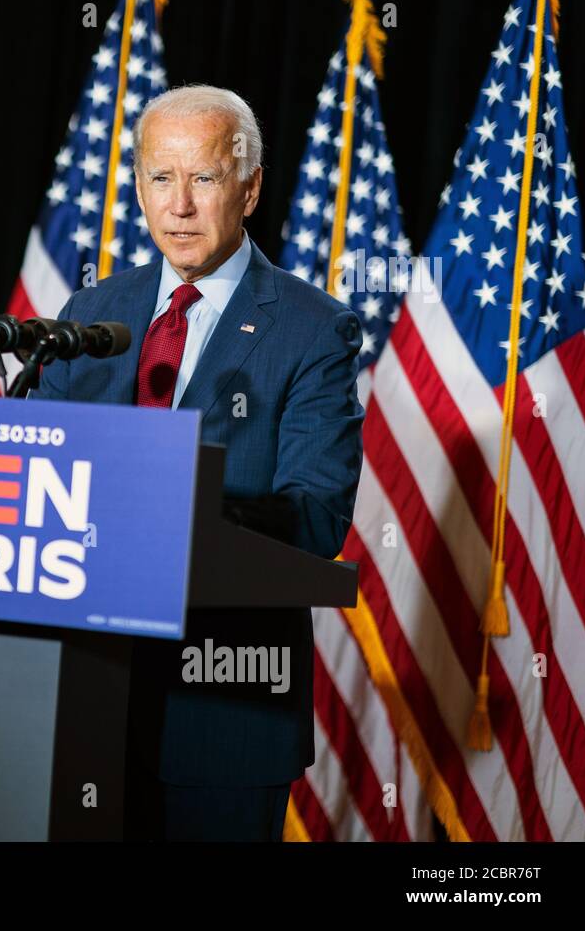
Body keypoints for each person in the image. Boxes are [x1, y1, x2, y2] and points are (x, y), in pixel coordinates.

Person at [33, 85, 364, 840]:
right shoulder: (88, 318)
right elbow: (38, 476)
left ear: (248, 189)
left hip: (222, 711)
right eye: (159, 178)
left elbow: (315, 517)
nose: (178, 205)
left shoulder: (314, 331)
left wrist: (175, 503)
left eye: (204, 179)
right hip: (72, 700)